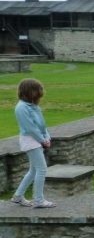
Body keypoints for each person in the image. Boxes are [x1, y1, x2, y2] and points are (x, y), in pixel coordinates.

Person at [11, 78, 56, 208]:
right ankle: (39, 200)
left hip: (37, 139)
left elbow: (41, 124)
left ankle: (18, 196)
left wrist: (46, 137)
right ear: (30, 92)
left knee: (33, 170)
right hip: (30, 141)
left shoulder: (34, 106)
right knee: (42, 169)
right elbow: (30, 128)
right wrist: (42, 140)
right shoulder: (21, 108)